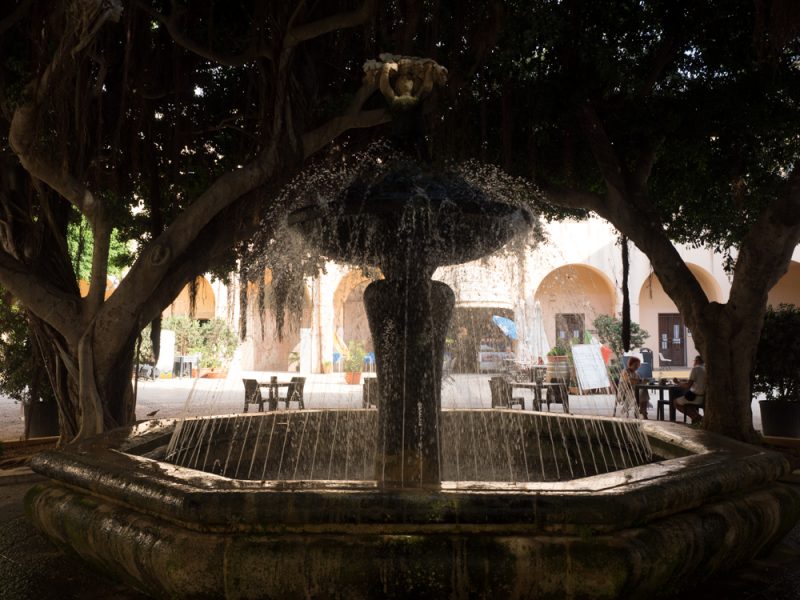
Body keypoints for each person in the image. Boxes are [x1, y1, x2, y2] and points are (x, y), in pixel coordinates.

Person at [675, 355, 706, 424]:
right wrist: (683, 381)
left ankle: (698, 418)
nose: (694, 362)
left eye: (694, 361)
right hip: (703, 397)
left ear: (697, 360)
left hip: (696, 397)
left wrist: (678, 383)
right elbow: (697, 381)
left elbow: (688, 385)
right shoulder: (705, 368)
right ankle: (697, 417)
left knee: (676, 402)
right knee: (688, 403)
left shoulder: (696, 369)